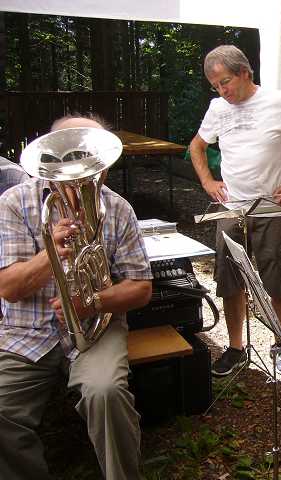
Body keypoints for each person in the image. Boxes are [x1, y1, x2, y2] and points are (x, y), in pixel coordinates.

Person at [0, 115, 153, 480]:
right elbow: (9, 287)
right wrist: (51, 253)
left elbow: (141, 287)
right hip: (26, 332)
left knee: (106, 393)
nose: (86, 173)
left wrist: (95, 302)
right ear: (50, 160)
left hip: (93, 330)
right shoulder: (15, 203)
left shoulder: (117, 209)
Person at [189, 44, 281, 377]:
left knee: (277, 283)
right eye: (216, 86)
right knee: (229, 282)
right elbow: (197, 146)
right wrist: (208, 180)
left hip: (274, 210)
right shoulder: (217, 109)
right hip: (230, 209)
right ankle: (237, 349)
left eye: (226, 82)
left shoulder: (279, 103)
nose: (223, 91)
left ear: (245, 72)